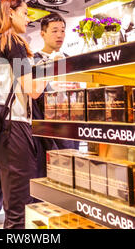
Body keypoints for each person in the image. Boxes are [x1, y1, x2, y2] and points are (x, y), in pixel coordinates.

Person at [0, 0, 47, 229]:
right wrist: (49, 68)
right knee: (18, 212)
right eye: (25, 13)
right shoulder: (13, 42)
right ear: (11, 12)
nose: (28, 19)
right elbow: (32, 90)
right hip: (14, 132)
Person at [32, 13, 79, 178]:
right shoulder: (34, 61)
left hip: (69, 131)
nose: (60, 35)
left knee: (71, 179)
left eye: (63, 31)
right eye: (54, 31)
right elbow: (33, 96)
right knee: (46, 179)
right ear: (42, 33)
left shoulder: (69, 60)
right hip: (45, 133)